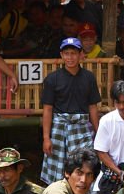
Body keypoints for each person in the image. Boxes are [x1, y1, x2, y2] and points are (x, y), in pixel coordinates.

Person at [41, 37, 101, 185]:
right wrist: (46, 138)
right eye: (66, 53)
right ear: (61, 55)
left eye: (73, 53)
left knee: (84, 162)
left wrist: (98, 133)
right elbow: (48, 109)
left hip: (82, 127)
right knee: (58, 170)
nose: (70, 57)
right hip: (59, 128)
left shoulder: (89, 78)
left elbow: (93, 107)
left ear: (81, 54)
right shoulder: (52, 79)